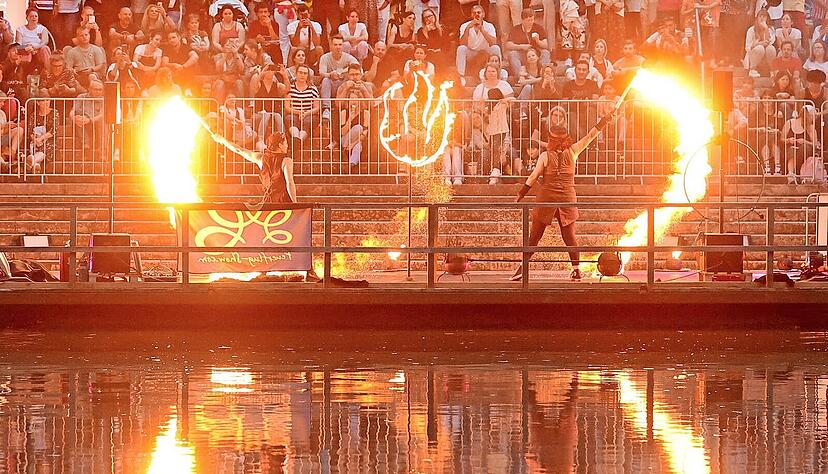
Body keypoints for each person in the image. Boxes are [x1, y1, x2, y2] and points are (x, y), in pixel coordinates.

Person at [512, 108, 618, 281]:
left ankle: (523, 268)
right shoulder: (573, 151)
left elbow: (533, 176)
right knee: (569, 236)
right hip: (567, 196)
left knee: (535, 236)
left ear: (551, 140)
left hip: (547, 197)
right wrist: (604, 121)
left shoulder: (545, 156)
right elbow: (591, 136)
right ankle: (576, 270)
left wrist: (521, 194)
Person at [318, 35, 358, 122]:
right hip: (331, 86)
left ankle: (347, 107)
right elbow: (322, 73)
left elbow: (357, 66)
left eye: (340, 45)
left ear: (343, 46)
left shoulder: (347, 57)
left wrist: (342, 72)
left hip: (343, 86)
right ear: (331, 46)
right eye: (335, 45)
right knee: (325, 80)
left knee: (350, 80)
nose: (338, 47)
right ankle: (326, 109)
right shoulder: (325, 57)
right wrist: (330, 74)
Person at [456, 5, 501, 80]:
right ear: (471, 15)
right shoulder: (464, 26)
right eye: (474, 13)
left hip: (485, 52)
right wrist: (467, 29)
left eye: (479, 12)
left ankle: (497, 73)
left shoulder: (489, 26)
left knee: (496, 48)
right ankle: (461, 77)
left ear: (483, 14)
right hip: (471, 53)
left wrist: (482, 29)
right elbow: (462, 43)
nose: (476, 14)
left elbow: (493, 42)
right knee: (461, 48)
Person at [504, 8, 551, 76]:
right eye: (528, 20)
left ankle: (542, 75)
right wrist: (521, 47)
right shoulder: (516, 29)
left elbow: (546, 45)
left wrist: (538, 41)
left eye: (532, 19)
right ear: (522, 20)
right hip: (523, 54)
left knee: (546, 53)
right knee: (512, 54)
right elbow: (508, 45)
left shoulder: (538, 28)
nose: (531, 22)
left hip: (536, 54)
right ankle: (520, 76)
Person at [744, 9, 775, 78]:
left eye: (764, 16)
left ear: (767, 19)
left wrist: (766, 28)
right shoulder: (751, 30)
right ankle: (752, 69)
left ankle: (772, 71)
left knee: (771, 48)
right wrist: (758, 44)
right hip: (754, 54)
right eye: (760, 16)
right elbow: (747, 47)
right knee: (760, 48)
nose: (761, 18)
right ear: (757, 18)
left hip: (766, 53)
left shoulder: (771, 29)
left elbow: (770, 41)